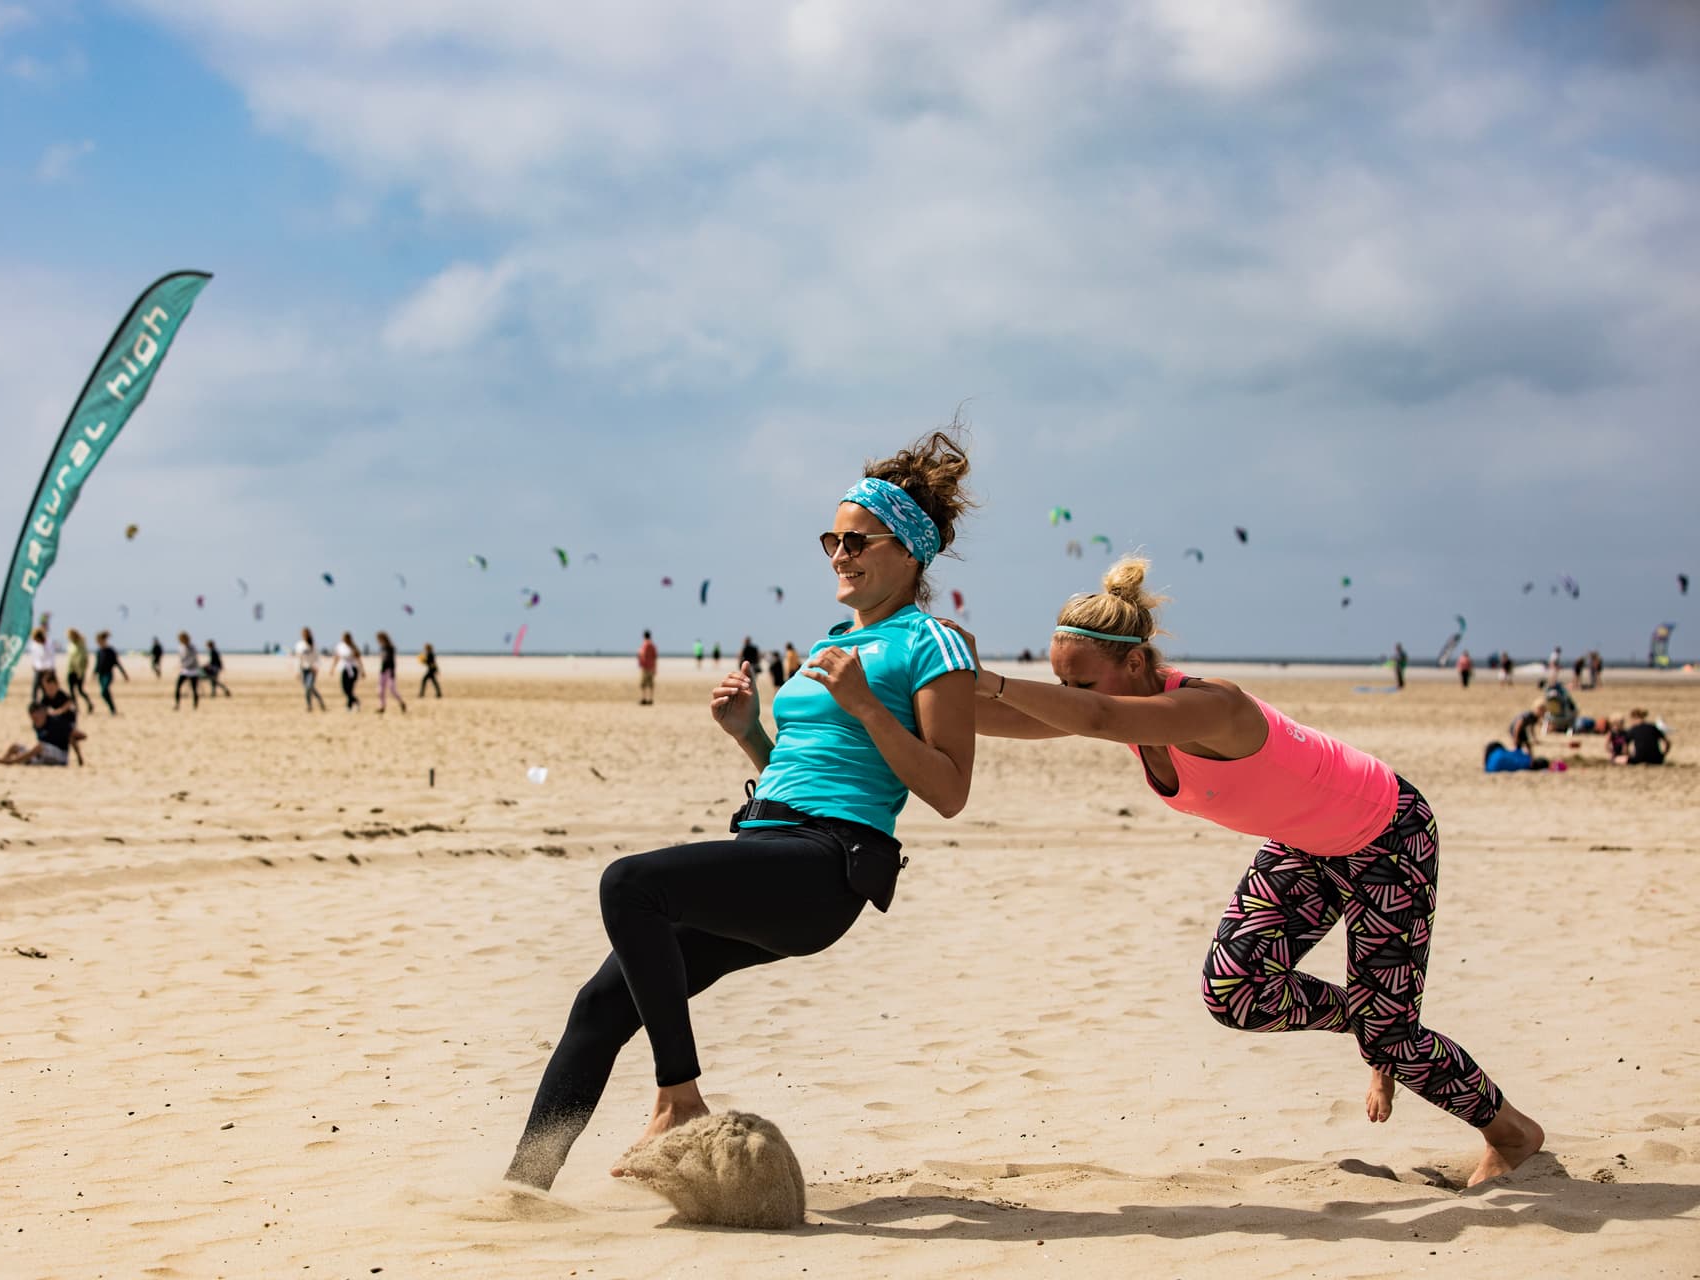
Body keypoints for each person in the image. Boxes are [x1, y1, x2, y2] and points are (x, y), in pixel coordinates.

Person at [952, 556, 1545, 1188]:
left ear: (1133, 664)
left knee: (1390, 1036)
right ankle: (1379, 1022)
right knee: (1234, 990)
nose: (1068, 703)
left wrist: (988, 679)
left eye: (1080, 684)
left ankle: (1509, 1132)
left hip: (1387, 835)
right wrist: (895, 703)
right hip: (1307, 845)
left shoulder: (1208, 708)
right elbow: (1027, 718)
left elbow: (1094, 717)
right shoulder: (1117, 708)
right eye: (1061, 686)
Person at [504, 428, 978, 1192]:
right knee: (599, 1005)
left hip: (829, 870)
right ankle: (524, 1188)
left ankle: (680, 1099)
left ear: (909, 552)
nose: (838, 554)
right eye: (831, 539)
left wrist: (865, 706)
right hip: (775, 845)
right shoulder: (834, 641)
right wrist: (750, 732)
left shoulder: (934, 643)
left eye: (858, 540)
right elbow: (799, 776)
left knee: (630, 885)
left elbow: (950, 790)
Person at [94, 630, 127, 714]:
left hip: (108, 674)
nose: (99, 643)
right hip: (101, 675)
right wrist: (94, 673)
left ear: (104, 640)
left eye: (99, 641)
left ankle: (112, 709)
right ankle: (112, 709)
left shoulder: (110, 651)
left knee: (104, 691)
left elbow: (117, 663)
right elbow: (97, 664)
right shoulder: (99, 651)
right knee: (104, 693)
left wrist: (124, 674)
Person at [65, 628, 97, 714]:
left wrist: (81, 671)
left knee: (80, 690)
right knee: (71, 691)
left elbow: (84, 659)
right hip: (71, 670)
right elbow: (70, 658)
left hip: (79, 671)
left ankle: (89, 704)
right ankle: (76, 707)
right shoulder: (70, 645)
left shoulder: (81, 645)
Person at [295, 628, 326, 711]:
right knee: (308, 688)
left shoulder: (313, 645)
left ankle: (313, 704)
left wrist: (316, 667)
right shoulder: (299, 645)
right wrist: (298, 671)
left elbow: (317, 657)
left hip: (312, 669)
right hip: (303, 669)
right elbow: (299, 659)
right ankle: (313, 704)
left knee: (309, 687)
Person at [331, 631, 363, 711]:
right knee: (344, 689)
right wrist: (332, 668)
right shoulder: (340, 646)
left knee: (350, 688)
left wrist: (362, 670)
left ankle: (349, 706)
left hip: (352, 669)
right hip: (344, 669)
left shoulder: (353, 647)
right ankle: (356, 701)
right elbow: (336, 657)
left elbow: (358, 659)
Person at [376, 632, 406, 713]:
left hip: (390, 671)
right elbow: (382, 659)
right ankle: (382, 706)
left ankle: (401, 702)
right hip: (383, 671)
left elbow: (392, 661)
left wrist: (392, 672)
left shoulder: (390, 648)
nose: (378, 641)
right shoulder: (382, 648)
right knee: (380, 690)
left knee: (392, 689)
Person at [173, 631, 204, 709]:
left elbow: (193, 658)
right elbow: (181, 657)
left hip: (193, 670)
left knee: (194, 689)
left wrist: (185, 664)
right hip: (185, 670)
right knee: (178, 687)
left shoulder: (192, 647)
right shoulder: (181, 647)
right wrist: (181, 665)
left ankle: (195, 705)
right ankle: (177, 704)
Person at [637, 630, 658, 705]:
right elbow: (655, 657)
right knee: (650, 684)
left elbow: (642, 655)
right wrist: (655, 668)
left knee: (643, 684)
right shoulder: (652, 645)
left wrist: (640, 663)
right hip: (651, 666)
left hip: (645, 667)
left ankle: (644, 698)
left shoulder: (644, 645)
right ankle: (651, 699)